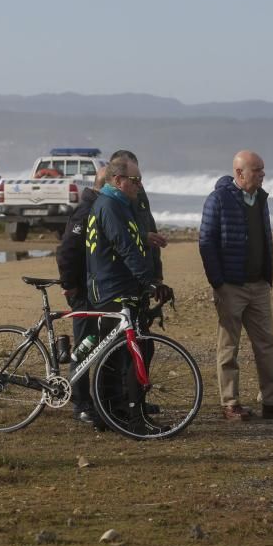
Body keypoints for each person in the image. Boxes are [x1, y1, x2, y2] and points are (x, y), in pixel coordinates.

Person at [198, 150, 273, 421]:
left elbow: (264, 238)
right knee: (229, 346)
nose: (262, 174)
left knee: (266, 344)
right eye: (257, 170)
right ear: (239, 172)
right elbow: (206, 241)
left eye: (263, 170)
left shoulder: (260, 199)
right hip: (230, 286)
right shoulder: (218, 199)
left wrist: (267, 277)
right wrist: (218, 282)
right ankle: (230, 404)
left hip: (258, 285)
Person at [86, 157, 173, 434]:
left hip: (121, 287)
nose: (139, 185)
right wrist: (149, 281)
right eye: (135, 180)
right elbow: (124, 247)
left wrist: (146, 240)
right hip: (113, 290)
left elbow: (128, 239)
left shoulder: (120, 205)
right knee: (132, 352)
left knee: (121, 356)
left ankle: (112, 415)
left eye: (140, 180)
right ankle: (133, 421)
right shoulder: (111, 206)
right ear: (117, 181)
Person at [56, 166, 107, 426]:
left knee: (93, 343)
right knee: (84, 347)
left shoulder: (101, 207)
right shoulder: (88, 209)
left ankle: (96, 399)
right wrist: (70, 286)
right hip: (83, 291)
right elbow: (66, 251)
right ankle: (80, 403)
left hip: (94, 289)